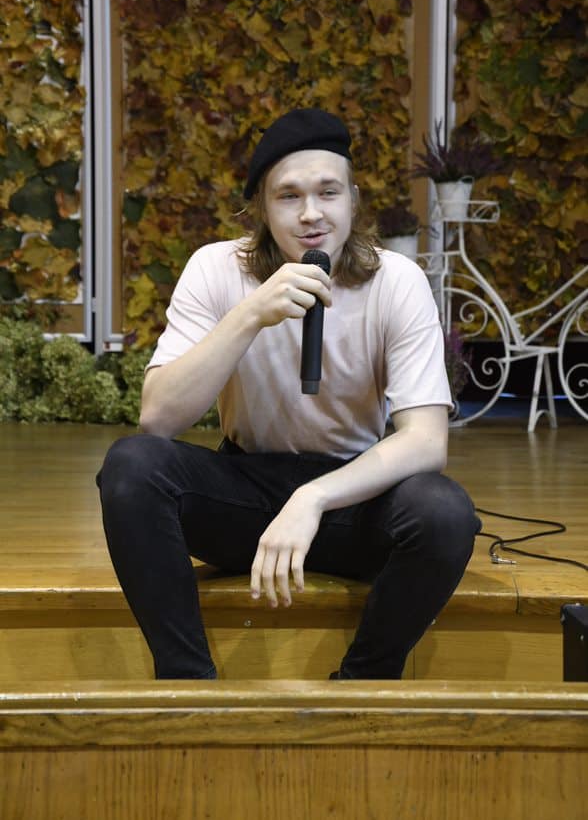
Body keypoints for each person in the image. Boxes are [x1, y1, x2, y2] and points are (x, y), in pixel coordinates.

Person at [97, 108, 480, 680]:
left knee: (445, 512)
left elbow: (425, 442)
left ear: (353, 199)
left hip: (352, 499)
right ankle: (189, 688)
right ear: (262, 208)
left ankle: (362, 685)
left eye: (328, 192)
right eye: (288, 196)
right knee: (131, 466)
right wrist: (250, 314)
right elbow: (158, 418)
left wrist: (313, 498)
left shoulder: (396, 280)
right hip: (245, 494)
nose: (310, 213)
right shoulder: (215, 269)